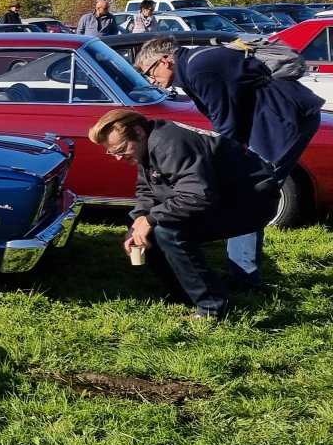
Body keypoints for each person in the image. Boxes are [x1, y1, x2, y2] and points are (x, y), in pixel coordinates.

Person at [136, 35, 324, 286]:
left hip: (284, 119)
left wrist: (221, 163)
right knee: (245, 191)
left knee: (251, 192)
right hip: (273, 118)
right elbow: (225, 116)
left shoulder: (199, 70)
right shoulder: (193, 65)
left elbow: (226, 124)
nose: (151, 80)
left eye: (149, 72)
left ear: (164, 60)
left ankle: (244, 277)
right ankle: (243, 272)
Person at [89, 108, 279, 318]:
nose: (118, 158)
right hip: (220, 198)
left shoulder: (170, 144)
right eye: (112, 152)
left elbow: (198, 195)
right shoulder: (148, 143)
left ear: (138, 132)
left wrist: (151, 219)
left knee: (168, 232)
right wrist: (140, 219)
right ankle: (184, 294)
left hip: (252, 201)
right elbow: (148, 189)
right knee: (144, 229)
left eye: (121, 149)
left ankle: (211, 308)